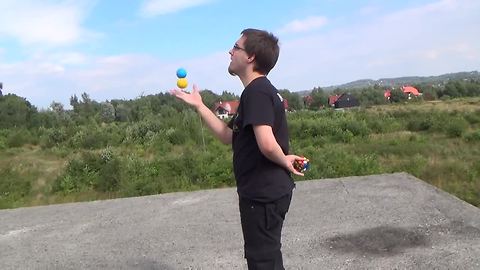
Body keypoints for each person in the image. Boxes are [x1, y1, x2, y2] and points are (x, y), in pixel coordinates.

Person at [171, 28, 305, 270]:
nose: (230, 52)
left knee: (262, 261)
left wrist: (284, 160)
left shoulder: (257, 91)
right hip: (264, 193)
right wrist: (199, 106)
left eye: (236, 47)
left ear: (250, 56)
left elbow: (265, 142)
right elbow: (227, 136)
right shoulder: (256, 92)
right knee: (267, 257)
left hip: (263, 194)